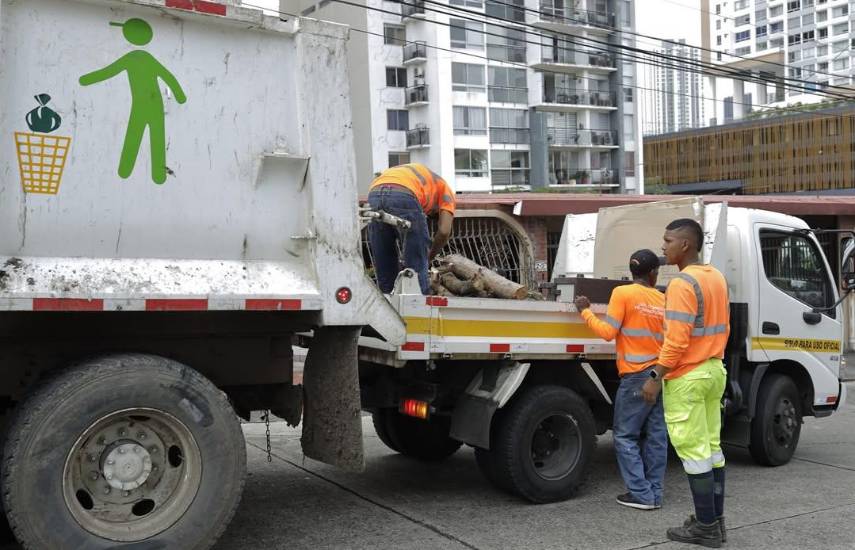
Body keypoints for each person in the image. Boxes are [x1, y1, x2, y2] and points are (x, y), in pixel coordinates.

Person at [641, 218, 730, 548]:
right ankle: (715, 521)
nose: (663, 246)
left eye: (668, 241)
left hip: (688, 377)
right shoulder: (715, 276)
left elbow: (676, 341)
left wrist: (655, 377)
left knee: (694, 454)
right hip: (713, 370)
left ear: (685, 245)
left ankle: (706, 527)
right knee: (712, 450)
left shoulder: (681, 284)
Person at [575, 249, 667, 511]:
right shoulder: (662, 299)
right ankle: (654, 493)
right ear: (653, 273)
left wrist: (585, 311)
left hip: (635, 376)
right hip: (658, 375)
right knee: (656, 437)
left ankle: (641, 494)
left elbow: (608, 332)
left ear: (632, 270)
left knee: (626, 436)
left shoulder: (622, 293)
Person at [79, 18, 186, 185]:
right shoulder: (146, 58)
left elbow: (108, 72)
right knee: (154, 136)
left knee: (136, 135)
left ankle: (125, 171)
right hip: (153, 104)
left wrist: (85, 80)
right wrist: (180, 96)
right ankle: (157, 176)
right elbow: (168, 76)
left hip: (144, 105)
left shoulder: (131, 58)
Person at [366, 163, 455, 294]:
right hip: (404, 194)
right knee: (416, 265)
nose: (427, 214)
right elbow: (444, 231)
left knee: (384, 260)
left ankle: (386, 298)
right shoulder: (446, 191)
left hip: (374, 194)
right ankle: (417, 301)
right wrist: (429, 257)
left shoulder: (423, 179)